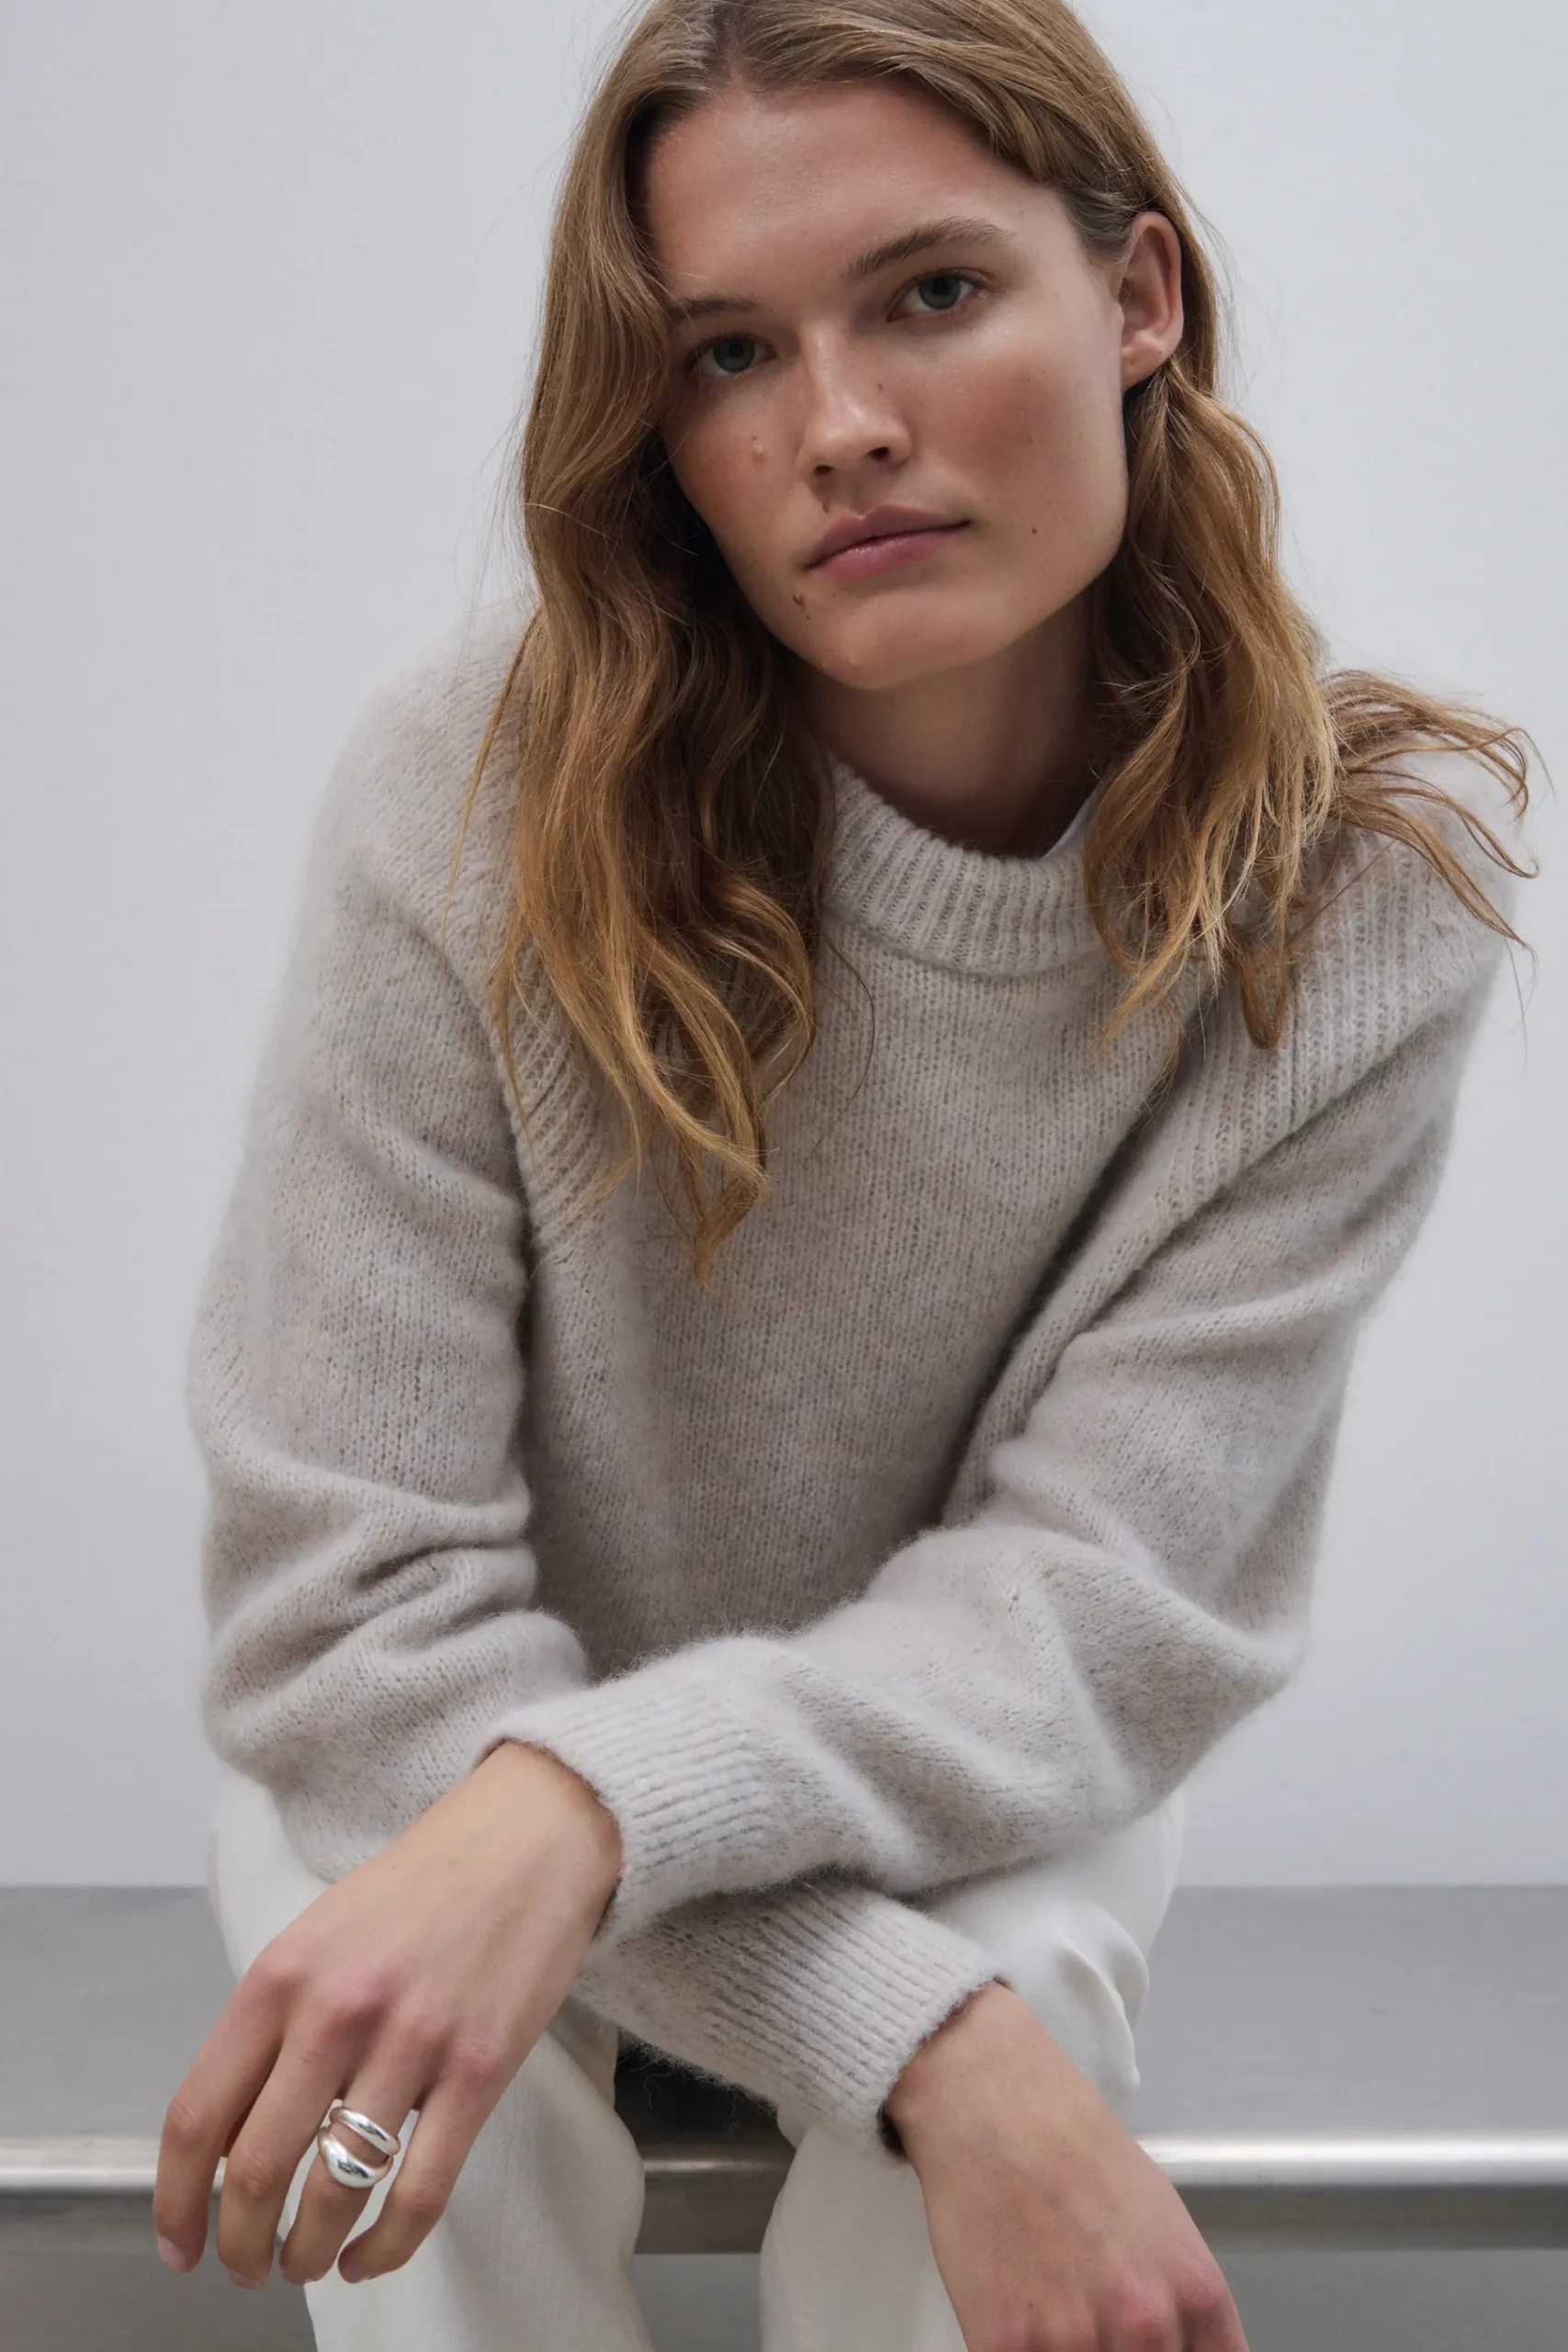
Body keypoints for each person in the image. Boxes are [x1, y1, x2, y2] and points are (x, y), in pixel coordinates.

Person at [153, 2, 1536, 2347]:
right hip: (425, 1748)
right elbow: (342, 1598)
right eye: (725, 351)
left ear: (1136, 294)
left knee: (1028, 1982)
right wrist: (890, 2023)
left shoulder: (1353, 899)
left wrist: (595, 1823)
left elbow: (1092, 1608)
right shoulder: (473, 798)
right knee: (397, 2056)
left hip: (965, 1773)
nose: (839, 426)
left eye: (931, 292)